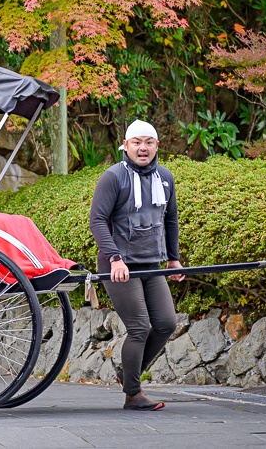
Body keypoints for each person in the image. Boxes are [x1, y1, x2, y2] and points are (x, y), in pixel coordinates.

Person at [89, 119, 183, 411]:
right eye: (137, 142)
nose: (143, 148)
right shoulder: (113, 177)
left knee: (166, 323)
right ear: (125, 145)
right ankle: (133, 394)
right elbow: (97, 221)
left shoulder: (164, 178)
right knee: (140, 327)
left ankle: (127, 375)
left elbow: (170, 220)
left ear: (157, 145)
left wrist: (173, 257)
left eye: (149, 142)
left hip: (150, 263)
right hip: (119, 265)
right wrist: (115, 258)